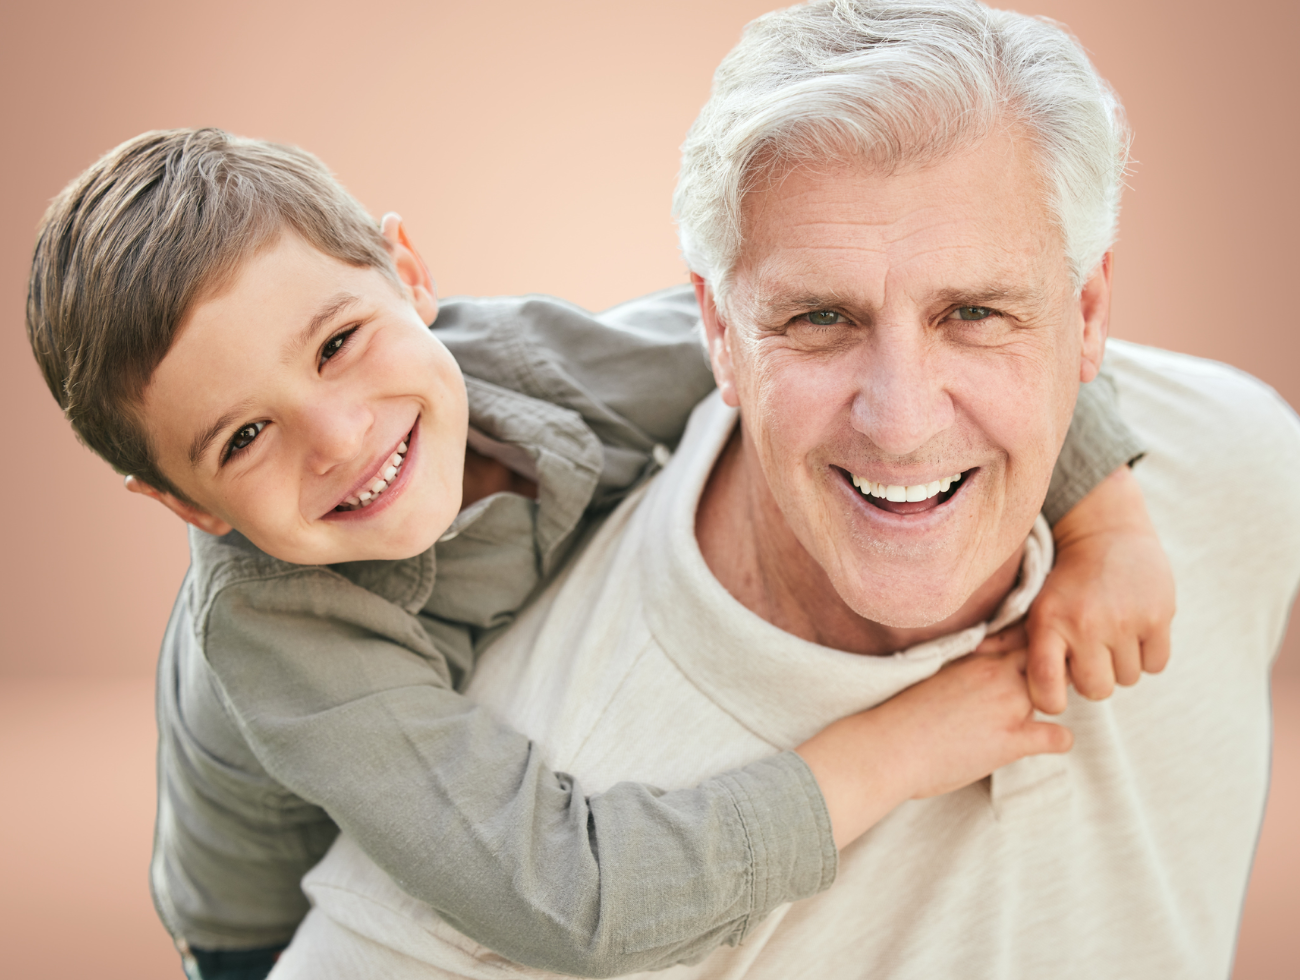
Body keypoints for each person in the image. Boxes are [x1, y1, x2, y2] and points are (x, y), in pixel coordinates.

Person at [268, 1, 1300, 978]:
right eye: (818, 318)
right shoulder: (525, 815)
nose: (901, 420)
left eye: (976, 311)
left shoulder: (1242, 469)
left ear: (1088, 308)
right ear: (716, 332)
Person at [26, 126, 1163, 980]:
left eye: (338, 342)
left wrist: (1101, 511)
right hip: (268, 925)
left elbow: (841, 345)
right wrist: (897, 747)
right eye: (243, 437)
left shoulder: (535, 360)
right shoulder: (277, 625)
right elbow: (568, 896)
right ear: (185, 504)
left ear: (407, 271)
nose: (339, 436)